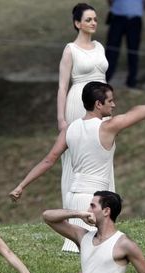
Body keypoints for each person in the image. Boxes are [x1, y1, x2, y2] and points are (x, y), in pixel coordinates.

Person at [12, 82, 145, 273]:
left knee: (92, 258)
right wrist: (119, 115)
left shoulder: (70, 128)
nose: (114, 105)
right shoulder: (108, 126)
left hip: (75, 196)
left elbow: (49, 160)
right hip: (96, 200)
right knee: (97, 259)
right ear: (98, 104)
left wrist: (22, 185)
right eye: (110, 101)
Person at [56, 3, 112, 211]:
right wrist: (61, 119)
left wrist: (109, 104)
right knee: (77, 154)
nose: (93, 23)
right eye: (88, 20)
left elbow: (104, 79)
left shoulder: (100, 47)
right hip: (78, 102)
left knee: (102, 149)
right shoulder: (70, 50)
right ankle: (74, 211)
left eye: (95, 19)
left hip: (100, 103)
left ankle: (105, 207)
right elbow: (62, 87)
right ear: (77, 23)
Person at [105, 0, 145, 88]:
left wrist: (139, 9)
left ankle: (132, 81)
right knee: (112, 51)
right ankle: (104, 79)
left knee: (133, 51)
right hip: (117, 17)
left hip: (135, 18)